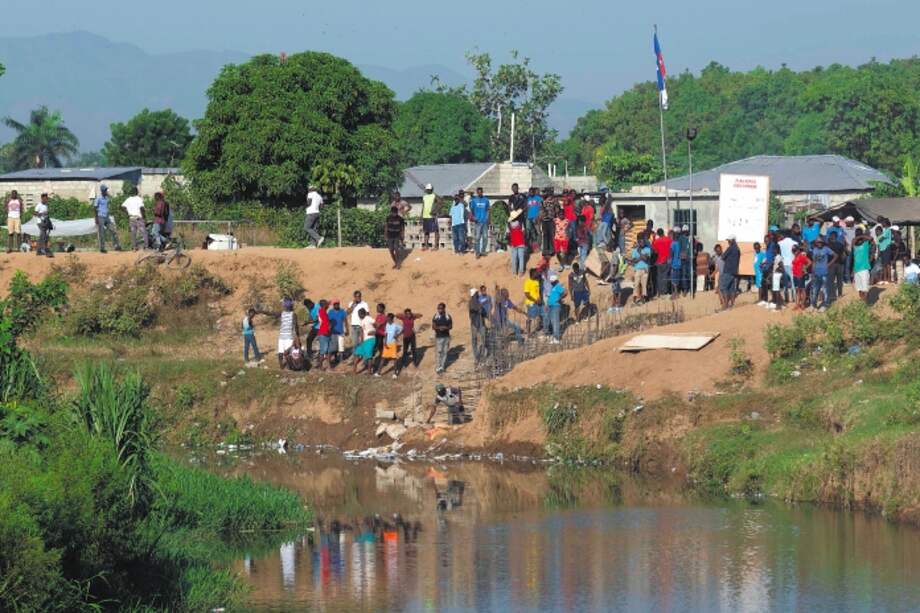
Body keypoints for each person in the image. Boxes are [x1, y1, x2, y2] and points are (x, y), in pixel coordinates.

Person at [810, 236, 837, 310]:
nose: (819, 243)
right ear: (815, 243)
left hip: (824, 272)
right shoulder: (814, 250)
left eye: (821, 242)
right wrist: (813, 272)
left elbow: (835, 255)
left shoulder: (826, 249)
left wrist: (829, 264)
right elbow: (814, 262)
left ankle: (825, 305)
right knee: (815, 289)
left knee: (825, 289)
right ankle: (813, 305)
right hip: (816, 272)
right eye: (818, 242)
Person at [94, 184, 122, 253]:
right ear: (102, 191)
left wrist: (108, 195)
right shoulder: (98, 198)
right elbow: (95, 208)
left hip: (107, 217)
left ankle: (117, 246)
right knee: (102, 233)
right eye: (105, 190)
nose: (106, 191)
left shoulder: (107, 198)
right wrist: (96, 218)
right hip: (100, 216)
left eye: (106, 190)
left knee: (113, 230)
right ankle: (102, 248)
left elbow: (113, 200)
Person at [374, 313, 403, 378]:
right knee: (383, 358)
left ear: (391, 319)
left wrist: (397, 335)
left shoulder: (395, 326)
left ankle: (395, 373)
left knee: (394, 359)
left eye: (388, 318)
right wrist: (385, 342)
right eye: (387, 318)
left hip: (393, 343)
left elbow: (402, 329)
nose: (387, 319)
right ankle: (378, 373)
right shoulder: (386, 325)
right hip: (387, 344)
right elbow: (386, 334)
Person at [396, 308, 422, 373]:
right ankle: (404, 364)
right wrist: (404, 315)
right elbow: (396, 315)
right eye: (407, 313)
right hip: (405, 336)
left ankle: (415, 363)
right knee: (405, 350)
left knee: (414, 349)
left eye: (409, 313)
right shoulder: (403, 318)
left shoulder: (412, 318)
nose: (408, 314)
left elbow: (421, 315)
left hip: (412, 336)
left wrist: (412, 315)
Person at [277, 298, 300, 369]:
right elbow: (295, 326)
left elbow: (271, 313)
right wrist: (297, 336)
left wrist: (260, 311)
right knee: (290, 352)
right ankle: (290, 366)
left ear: (284, 306)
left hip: (281, 337)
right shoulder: (293, 314)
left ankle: (281, 366)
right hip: (288, 337)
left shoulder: (281, 313)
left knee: (281, 352)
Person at [352, 308, 377, 374]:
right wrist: (361, 340)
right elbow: (362, 331)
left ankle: (369, 372)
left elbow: (376, 324)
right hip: (364, 341)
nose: (359, 316)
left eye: (359, 314)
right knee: (357, 353)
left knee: (369, 356)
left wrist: (374, 331)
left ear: (362, 314)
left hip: (370, 339)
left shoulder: (368, 318)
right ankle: (354, 371)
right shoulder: (362, 321)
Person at [720, 235, 741, 309]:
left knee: (723, 287)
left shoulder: (730, 248)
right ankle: (732, 304)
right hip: (734, 271)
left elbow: (723, 257)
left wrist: (723, 254)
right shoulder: (738, 249)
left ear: (733, 240)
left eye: (729, 240)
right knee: (731, 288)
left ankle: (725, 305)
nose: (728, 242)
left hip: (728, 270)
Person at [347, 291, 369, 362]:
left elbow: (367, 314)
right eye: (356, 296)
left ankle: (364, 357)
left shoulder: (364, 304)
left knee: (363, 342)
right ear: (354, 297)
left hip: (362, 326)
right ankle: (355, 357)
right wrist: (353, 304)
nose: (358, 298)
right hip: (354, 326)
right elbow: (347, 312)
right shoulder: (351, 303)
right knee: (354, 343)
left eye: (359, 296)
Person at [852, 229, 873, 302]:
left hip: (864, 268)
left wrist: (861, 236)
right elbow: (854, 240)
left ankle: (865, 304)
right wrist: (859, 236)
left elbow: (871, 238)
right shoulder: (854, 244)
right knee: (859, 289)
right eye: (856, 233)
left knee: (865, 289)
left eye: (858, 233)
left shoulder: (866, 243)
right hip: (856, 269)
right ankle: (862, 302)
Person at [469, 287, 488, 364]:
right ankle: (476, 356)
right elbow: (473, 309)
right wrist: (480, 307)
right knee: (474, 340)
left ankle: (483, 355)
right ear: (474, 294)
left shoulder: (479, 302)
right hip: (475, 323)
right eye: (477, 293)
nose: (478, 294)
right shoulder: (471, 302)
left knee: (483, 338)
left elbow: (483, 312)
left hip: (481, 323)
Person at [546, 273, 567, 343]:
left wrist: (560, 298)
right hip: (551, 306)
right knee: (551, 321)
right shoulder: (553, 287)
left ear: (555, 281)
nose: (551, 282)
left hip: (555, 306)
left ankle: (557, 338)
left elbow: (565, 292)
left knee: (555, 322)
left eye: (552, 281)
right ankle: (554, 336)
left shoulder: (558, 286)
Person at [470, 186, 490, 258]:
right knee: (477, 238)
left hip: (484, 222)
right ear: (477, 193)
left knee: (485, 237)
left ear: (482, 192)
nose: (479, 193)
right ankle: (477, 253)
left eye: (481, 192)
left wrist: (487, 217)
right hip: (477, 222)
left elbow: (488, 209)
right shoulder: (474, 201)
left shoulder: (486, 200)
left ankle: (483, 251)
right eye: (478, 192)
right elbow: (471, 210)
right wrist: (473, 217)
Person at [630, 236, 652, 304]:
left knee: (644, 284)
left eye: (643, 242)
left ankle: (643, 298)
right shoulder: (634, 250)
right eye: (641, 242)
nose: (643, 243)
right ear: (638, 242)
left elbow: (647, 259)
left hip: (645, 268)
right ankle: (635, 297)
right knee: (636, 284)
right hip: (637, 269)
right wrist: (641, 257)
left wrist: (639, 254)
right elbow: (633, 261)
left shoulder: (648, 249)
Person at [432, 302, 452, 374]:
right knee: (439, 352)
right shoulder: (436, 316)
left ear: (444, 309)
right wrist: (439, 328)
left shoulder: (448, 316)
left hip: (446, 337)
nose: (439, 310)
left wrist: (445, 328)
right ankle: (438, 367)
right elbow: (433, 326)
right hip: (439, 337)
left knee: (445, 352)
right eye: (438, 308)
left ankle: (442, 367)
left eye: (441, 308)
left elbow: (451, 326)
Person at [652, 228, 672, 298]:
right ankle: (665, 292)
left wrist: (654, 238)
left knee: (659, 277)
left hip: (660, 261)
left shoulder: (657, 241)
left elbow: (655, 251)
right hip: (667, 261)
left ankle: (660, 292)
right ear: (663, 232)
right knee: (666, 276)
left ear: (658, 234)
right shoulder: (669, 239)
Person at [327, 299, 347, 367]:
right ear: (333, 305)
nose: (336, 305)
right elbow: (328, 321)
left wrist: (347, 329)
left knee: (341, 346)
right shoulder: (330, 312)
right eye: (335, 304)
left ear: (339, 304)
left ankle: (341, 359)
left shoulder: (342, 311)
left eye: (337, 304)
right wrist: (328, 329)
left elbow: (345, 320)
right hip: (333, 332)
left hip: (340, 331)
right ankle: (335, 358)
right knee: (334, 347)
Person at [523, 268, 543, 334]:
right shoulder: (528, 282)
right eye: (536, 273)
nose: (537, 274)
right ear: (532, 274)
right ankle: (528, 333)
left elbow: (538, 291)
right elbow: (527, 294)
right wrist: (535, 300)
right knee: (530, 318)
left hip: (538, 302)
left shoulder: (536, 281)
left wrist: (539, 298)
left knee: (540, 316)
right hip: (531, 303)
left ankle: (539, 329)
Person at [33, 193, 54, 258]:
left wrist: (49, 223)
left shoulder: (46, 205)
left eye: (47, 199)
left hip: (45, 222)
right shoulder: (39, 205)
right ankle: (43, 250)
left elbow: (46, 215)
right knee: (43, 235)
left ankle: (39, 251)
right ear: (42, 198)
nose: (46, 200)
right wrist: (42, 213)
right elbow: (34, 213)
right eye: (45, 199)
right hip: (40, 222)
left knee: (43, 236)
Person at [421, 183, 440, 250]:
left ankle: (436, 246)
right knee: (426, 231)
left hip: (432, 216)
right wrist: (421, 216)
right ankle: (426, 246)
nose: (428, 190)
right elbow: (423, 206)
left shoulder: (434, 196)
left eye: (429, 189)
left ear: (432, 189)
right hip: (425, 216)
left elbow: (440, 202)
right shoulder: (424, 196)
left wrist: (435, 210)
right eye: (427, 189)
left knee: (435, 231)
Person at [791, 245, 811, 310]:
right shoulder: (795, 256)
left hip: (800, 275)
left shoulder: (802, 256)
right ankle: (797, 304)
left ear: (798, 250)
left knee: (802, 290)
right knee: (797, 290)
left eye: (795, 250)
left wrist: (805, 268)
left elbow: (810, 262)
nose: (794, 252)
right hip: (795, 275)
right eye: (793, 251)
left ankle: (802, 304)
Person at [314, 299, 332, 371]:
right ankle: (321, 366)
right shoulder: (322, 311)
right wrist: (329, 325)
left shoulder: (322, 311)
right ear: (324, 305)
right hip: (323, 333)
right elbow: (326, 322)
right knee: (323, 351)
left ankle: (328, 366)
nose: (328, 305)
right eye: (326, 304)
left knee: (327, 351)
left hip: (325, 332)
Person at [508, 211, 526, 276]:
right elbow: (524, 232)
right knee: (521, 258)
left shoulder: (509, 224)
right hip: (521, 242)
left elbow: (507, 234)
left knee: (514, 258)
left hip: (513, 243)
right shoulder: (521, 224)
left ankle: (514, 272)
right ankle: (521, 272)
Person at [5, 189, 23, 254]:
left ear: (16, 194)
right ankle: (10, 248)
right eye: (13, 193)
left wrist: (20, 216)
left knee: (18, 233)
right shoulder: (8, 200)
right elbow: (5, 207)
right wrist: (7, 216)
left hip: (17, 218)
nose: (14, 195)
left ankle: (18, 248)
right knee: (10, 233)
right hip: (10, 218)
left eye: (15, 194)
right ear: (11, 194)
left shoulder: (19, 201)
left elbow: (21, 209)